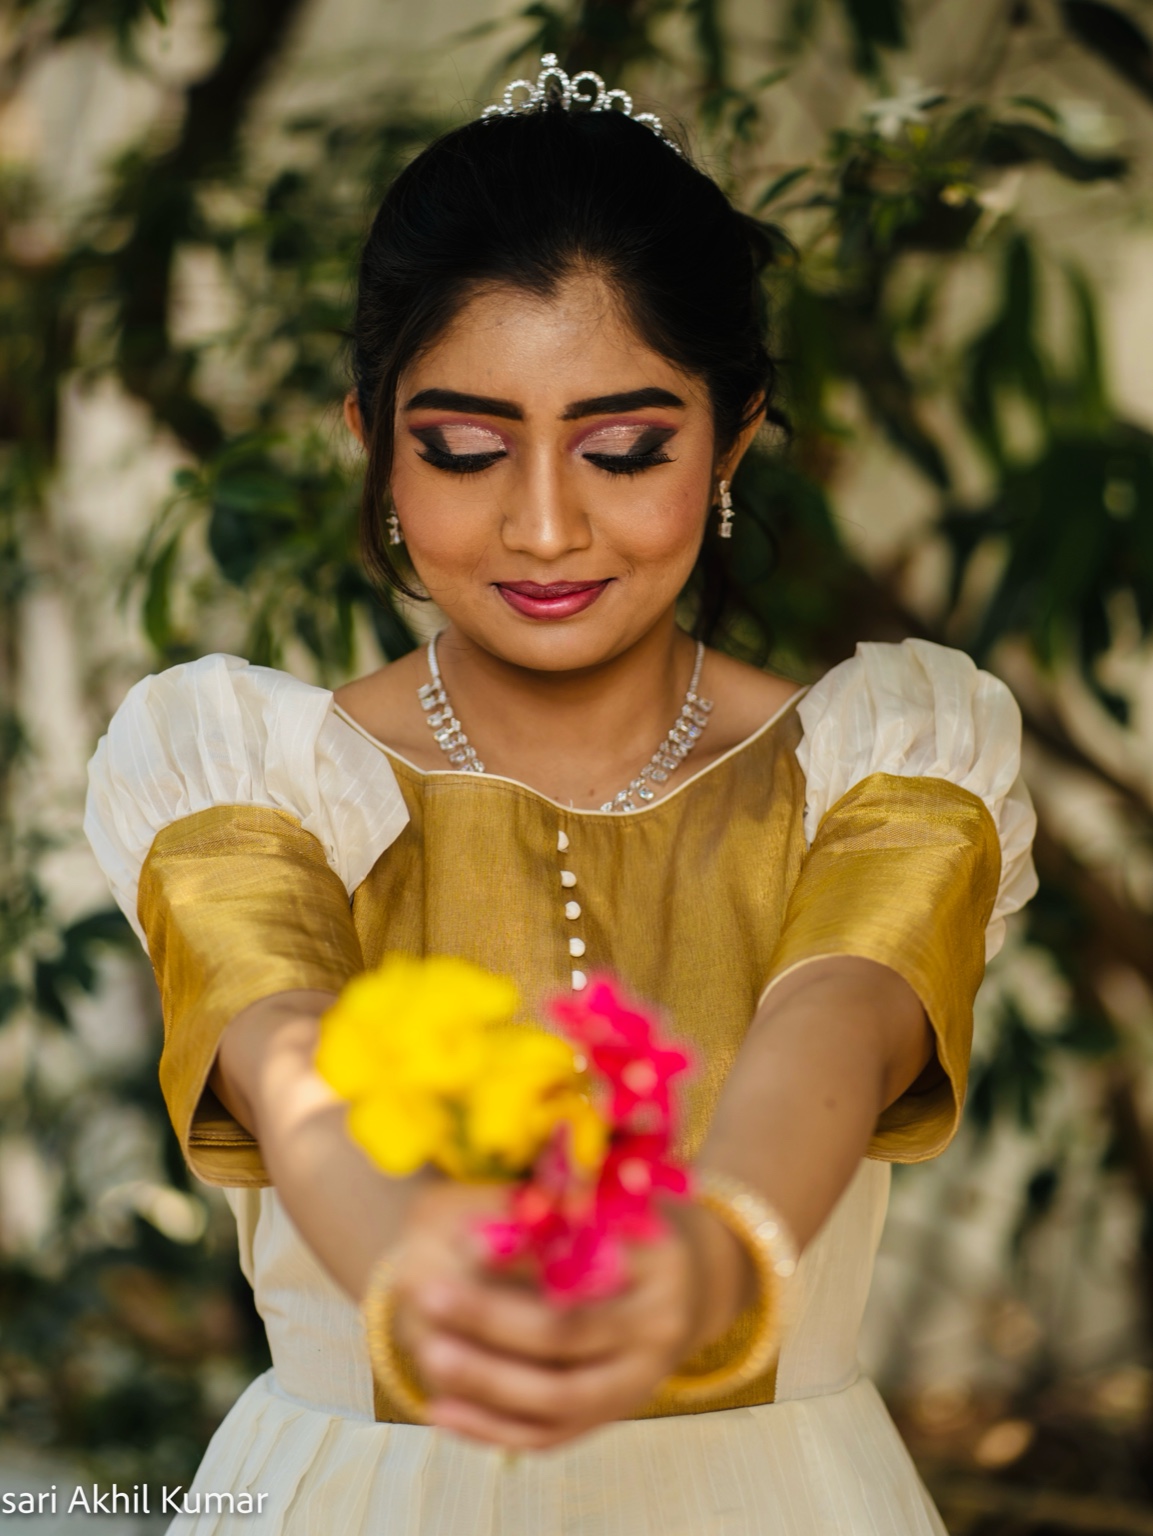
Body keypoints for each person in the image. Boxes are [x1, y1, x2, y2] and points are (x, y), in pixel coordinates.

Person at [85, 58, 1038, 1536]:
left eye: (623, 449)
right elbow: (281, 1044)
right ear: (374, 444)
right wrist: (423, 1274)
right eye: (464, 450)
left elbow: (835, 1013)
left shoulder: (888, 772)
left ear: (728, 436)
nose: (542, 526)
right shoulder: (246, 786)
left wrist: (709, 1267)